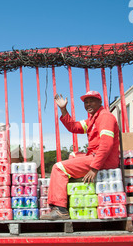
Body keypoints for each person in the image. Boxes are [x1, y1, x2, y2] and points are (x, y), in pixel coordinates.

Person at [41, 91, 120, 220]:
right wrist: (63, 110)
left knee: (58, 167)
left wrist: (94, 168)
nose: (88, 104)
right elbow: (74, 127)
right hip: (96, 156)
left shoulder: (105, 117)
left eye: (92, 101)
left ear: (100, 102)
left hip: (103, 159)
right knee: (73, 155)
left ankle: (61, 209)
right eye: (86, 102)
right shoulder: (92, 119)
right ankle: (71, 196)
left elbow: (106, 144)